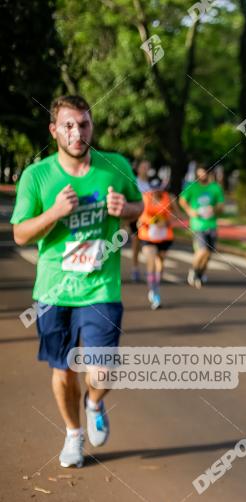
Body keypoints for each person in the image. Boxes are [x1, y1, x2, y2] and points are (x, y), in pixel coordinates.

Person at [11, 95, 143, 468]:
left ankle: (95, 402)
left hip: (101, 286)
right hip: (55, 288)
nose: (77, 132)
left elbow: (140, 206)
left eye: (83, 124)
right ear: (54, 130)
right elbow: (21, 234)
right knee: (63, 369)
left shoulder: (114, 166)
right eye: (68, 125)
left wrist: (126, 210)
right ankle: (73, 434)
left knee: (103, 368)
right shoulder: (37, 176)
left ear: (91, 127)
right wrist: (54, 212)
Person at [137, 175, 178, 309]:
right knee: (151, 262)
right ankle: (154, 291)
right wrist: (154, 221)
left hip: (164, 236)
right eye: (154, 189)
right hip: (147, 235)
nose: (156, 192)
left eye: (158, 189)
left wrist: (166, 221)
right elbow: (141, 214)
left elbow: (176, 216)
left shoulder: (169, 198)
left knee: (160, 263)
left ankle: (156, 284)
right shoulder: (145, 197)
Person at [179, 165, 223, 288]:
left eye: (203, 173)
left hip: (211, 224)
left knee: (209, 254)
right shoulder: (193, 187)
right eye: (199, 174)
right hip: (198, 225)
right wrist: (190, 211)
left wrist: (214, 208)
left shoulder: (215, 188)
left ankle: (200, 273)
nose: (201, 176)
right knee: (202, 250)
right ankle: (194, 271)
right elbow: (182, 200)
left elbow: (221, 204)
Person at [130, 160, 151, 282]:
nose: (146, 170)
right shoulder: (134, 182)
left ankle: (151, 271)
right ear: (138, 170)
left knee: (151, 245)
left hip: (151, 218)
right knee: (136, 242)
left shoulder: (152, 184)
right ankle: (135, 268)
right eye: (143, 167)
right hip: (138, 217)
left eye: (147, 167)